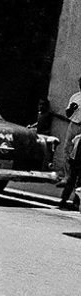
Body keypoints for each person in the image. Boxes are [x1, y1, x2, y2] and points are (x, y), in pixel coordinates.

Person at [59, 76, 81, 206]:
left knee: (78, 155)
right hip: (74, 124)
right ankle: (67, 175)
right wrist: (71, 109)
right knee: (68, 149)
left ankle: (75, 198)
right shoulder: (75, 96)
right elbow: (67, 114)